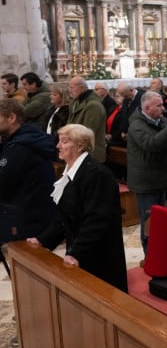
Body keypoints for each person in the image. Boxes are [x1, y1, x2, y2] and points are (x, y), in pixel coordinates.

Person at [29, 124, 128, 292]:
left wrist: (76, 253)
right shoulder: (72, 172)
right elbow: (64, 216)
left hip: (99, 254)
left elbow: (96, 219)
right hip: (83, 249)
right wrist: (42, 240)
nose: (58, 146)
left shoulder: (96, 174)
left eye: (64, 141)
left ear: (80, 145)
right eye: (59, 141)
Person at [127, 91, 167, 254]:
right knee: (149, 221)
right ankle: (150, 256)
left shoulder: (158, 120)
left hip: (158, 178)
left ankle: (161, 253)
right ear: (147, 108)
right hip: (146, 182)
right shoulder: (137, 125)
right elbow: (151, 144)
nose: (163, 108)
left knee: (160, 219)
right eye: (159, 105)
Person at [0, 98, 56, 242]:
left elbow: (3, 182)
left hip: (27, 216)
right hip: (33, 212)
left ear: (12, 118)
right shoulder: (28, 136)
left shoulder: (20, 147)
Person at [67, 76, 107, 162]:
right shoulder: (77, 102)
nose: (69, 90)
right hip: (78, 150)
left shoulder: (94, 106)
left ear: (81, 88)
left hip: (90, 153)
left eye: (72, 87)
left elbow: (88, 133)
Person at [42, 82, 69, 147]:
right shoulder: (51, 109)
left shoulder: (67, 111)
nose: (51, 96)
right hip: (47, 142)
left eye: (54, 95)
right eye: (51, 94)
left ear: (63, 96)